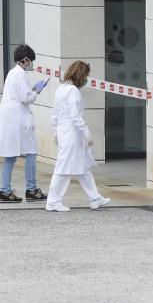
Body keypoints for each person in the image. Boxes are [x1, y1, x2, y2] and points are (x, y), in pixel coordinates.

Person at [46, 60, 112, 212]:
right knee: (63, 169)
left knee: (82, 167)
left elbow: (55, 114)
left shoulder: (61, 88)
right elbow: (75, 116)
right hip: (72, 133)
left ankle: (95, 198)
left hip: (65, 132)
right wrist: (86, 133)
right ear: (81, 76)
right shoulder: (73, 91)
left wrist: (55, 131)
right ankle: (53, 201)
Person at [0, 44, 48, 203]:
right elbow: (27, 97)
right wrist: (37, 90)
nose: (30, 64)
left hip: (11, 119)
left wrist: (31, 90)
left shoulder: (12, 73)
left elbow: (21, 94)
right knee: (31, 152)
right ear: (24, 60)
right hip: (18, 120)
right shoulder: (20, 74)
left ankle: (5, 190)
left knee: (10, 155)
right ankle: (31, 189)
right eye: (29, 61)